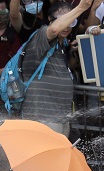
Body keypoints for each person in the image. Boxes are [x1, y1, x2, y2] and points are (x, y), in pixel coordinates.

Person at [20, 0, 93, 136]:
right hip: (43, 116)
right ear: (49, 19)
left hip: (60, 117)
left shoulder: (61, 45)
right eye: (63, 21)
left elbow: (66, 69)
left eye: (71, 22)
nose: (66, 27)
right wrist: (81, 7)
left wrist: (74, 53)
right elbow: (54, 29)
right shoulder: (40, 36)